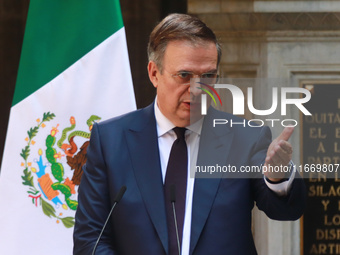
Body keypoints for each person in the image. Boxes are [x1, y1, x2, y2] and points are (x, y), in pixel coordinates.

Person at [73, 13, 306, 255]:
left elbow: (285, 210)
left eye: (208, 76)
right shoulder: (110, 140)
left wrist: (278, 178)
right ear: (154, 73)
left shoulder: (246, 137)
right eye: (184, 75)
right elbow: (91, 239)